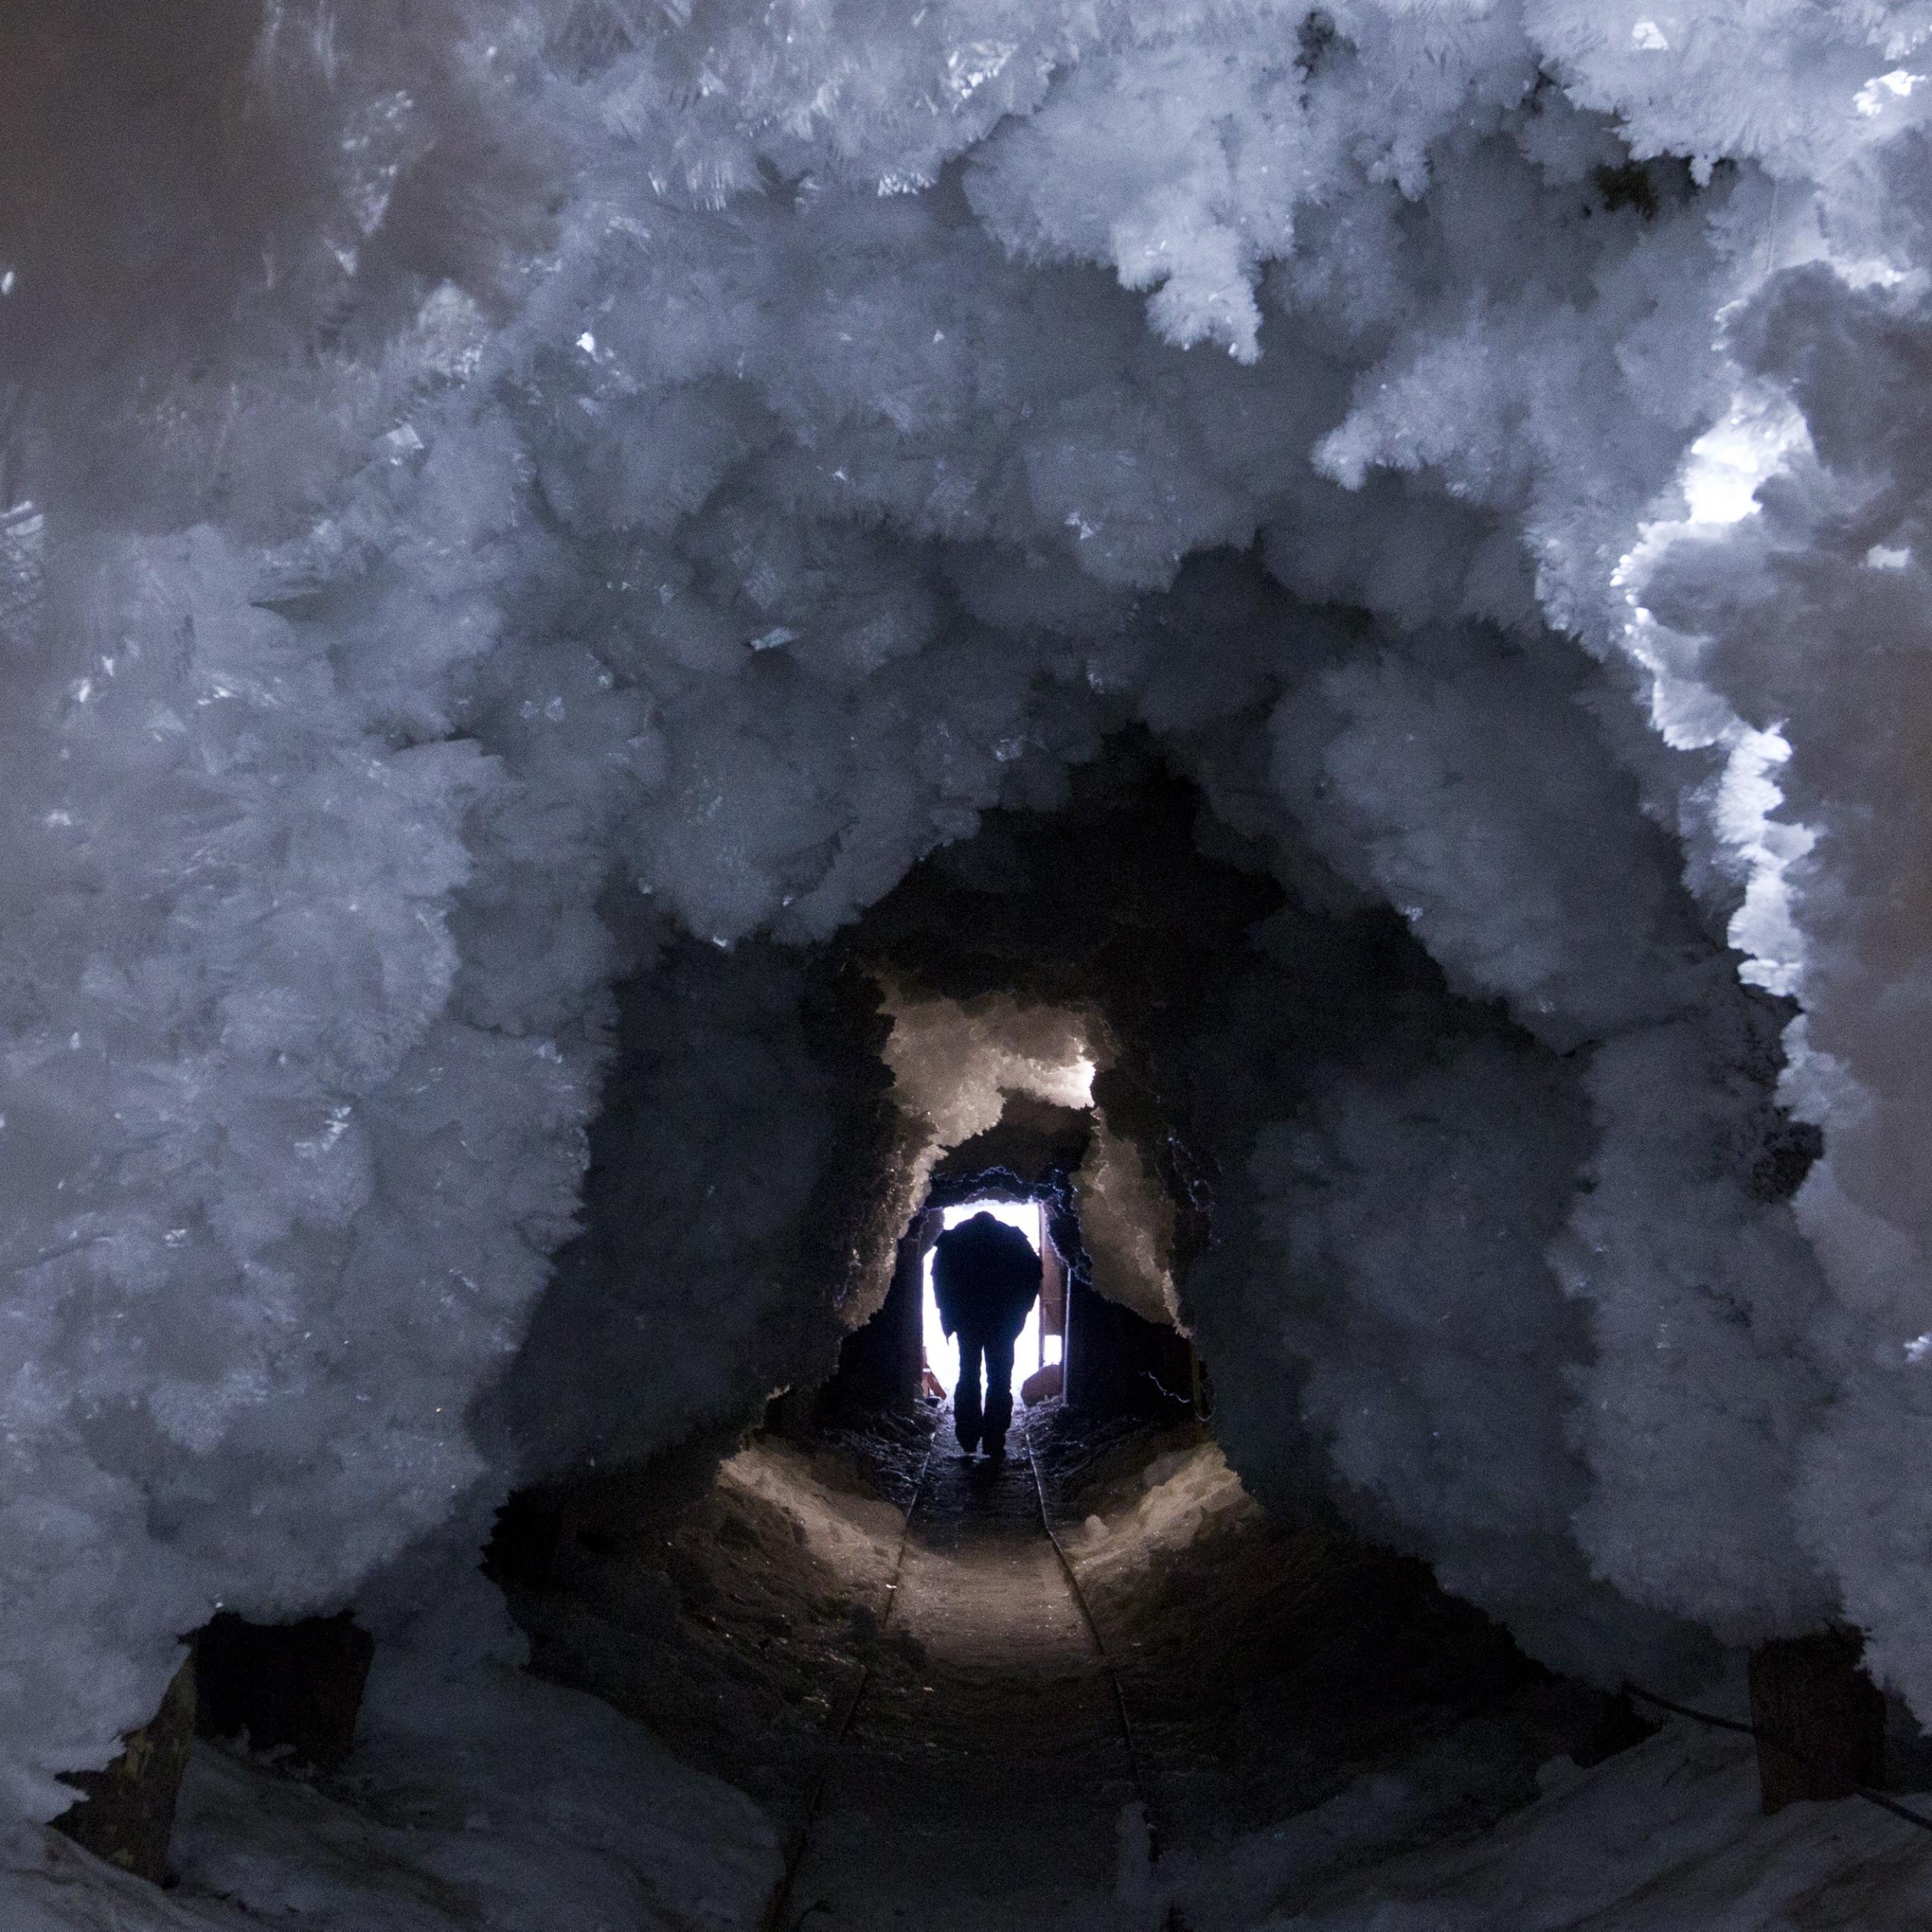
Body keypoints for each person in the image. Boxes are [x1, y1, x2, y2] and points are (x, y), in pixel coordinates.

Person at [932, 1210, 1040, 1459]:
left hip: (967, 1320)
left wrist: (950, 1315)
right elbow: (1032, 1274)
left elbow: (941, 1279)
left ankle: (968, 1437)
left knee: (968, 1374)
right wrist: (1019, 1312)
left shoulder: (957, 1239)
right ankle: (994, 1441)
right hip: (1002, 1321)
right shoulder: (1012, 1239)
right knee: (1000, 1378)